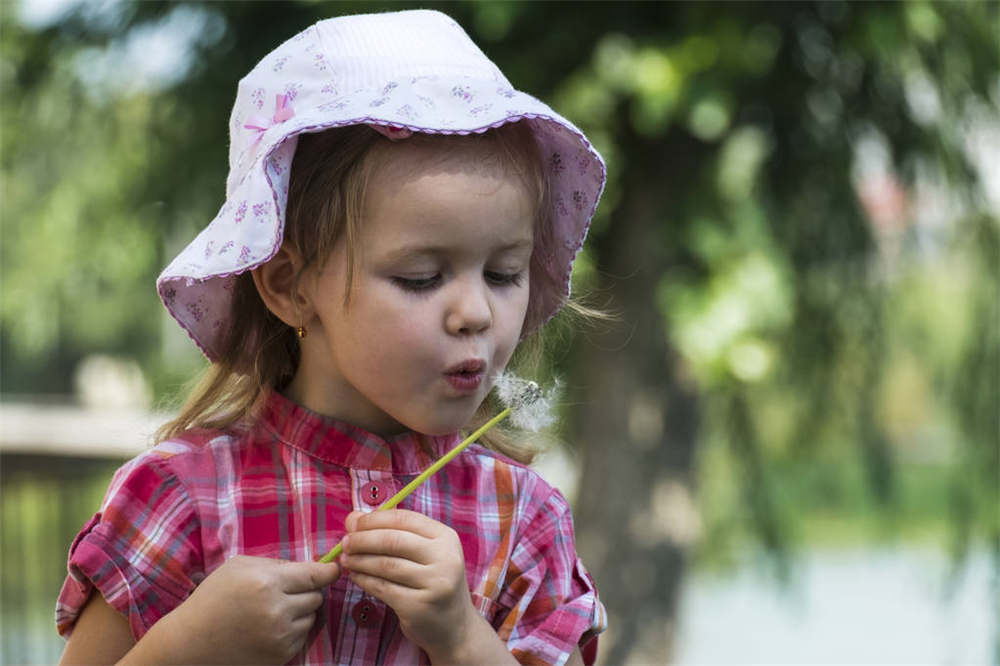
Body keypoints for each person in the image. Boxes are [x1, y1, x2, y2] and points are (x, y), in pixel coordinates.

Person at [55, 9, 607, 665]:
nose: (476, 313)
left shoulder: (523, 517)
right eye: (421, 276)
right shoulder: (181, 495)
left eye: (504, 273)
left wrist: (462, 637)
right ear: (289, 286)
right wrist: (188, 646)